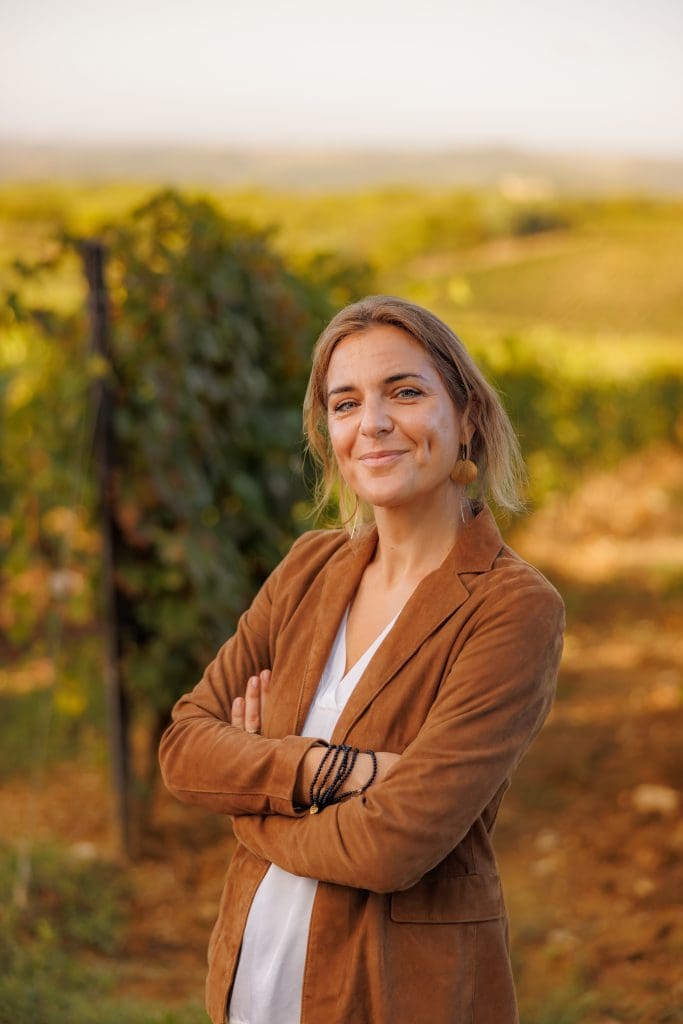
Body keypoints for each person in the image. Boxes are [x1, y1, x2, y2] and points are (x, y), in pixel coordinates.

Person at [159, 295, 565, 1024]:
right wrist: (334, 771)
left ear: (467, 414)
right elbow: (185, 749)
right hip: (253, 983)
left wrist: (250, 798)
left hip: (399, 994)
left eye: (403, 392)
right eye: (345, 403)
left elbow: (392, 845)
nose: (371, 423)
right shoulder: (307, 568)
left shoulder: (512, 607)